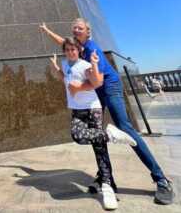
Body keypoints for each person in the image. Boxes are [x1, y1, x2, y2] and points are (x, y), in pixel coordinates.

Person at [40, 18, 174, 206]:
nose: (76, 30)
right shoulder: (75, 47)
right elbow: (62, 42)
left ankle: (161, 180)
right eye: (74, 28)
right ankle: (106, 178)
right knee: (96, 134)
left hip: (109, 87)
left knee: (125, 128)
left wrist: (77, 89)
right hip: (94, 94)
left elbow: (99, 81)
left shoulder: (92, 48)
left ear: (88, 32)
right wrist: (47, 31)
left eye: (80, 28)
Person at [50, 37, 137, 210]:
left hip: (92, 109)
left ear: (79, 50)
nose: (70, 52)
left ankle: (107, 186)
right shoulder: (66, 64)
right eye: (67, 49)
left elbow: (97, 82)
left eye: (73, 49)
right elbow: (65, 78)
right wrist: (56, 68)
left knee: (99, 149)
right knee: (77, 135)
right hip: (77, 110)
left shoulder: (84, 65)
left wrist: (95, 64)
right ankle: (109, 135)